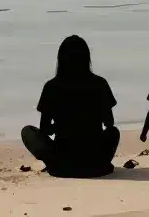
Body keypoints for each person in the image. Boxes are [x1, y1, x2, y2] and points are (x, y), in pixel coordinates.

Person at [21, 35, 120, 178]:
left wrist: (62, 125)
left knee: (28, 132)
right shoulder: (100, 83)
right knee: (114, 132)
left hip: (62, 164)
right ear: (86, 58)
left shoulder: (51, 87)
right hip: (94, 161)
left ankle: (52, 163)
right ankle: (100, 162)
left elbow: (45, 129)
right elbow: (109, 123)